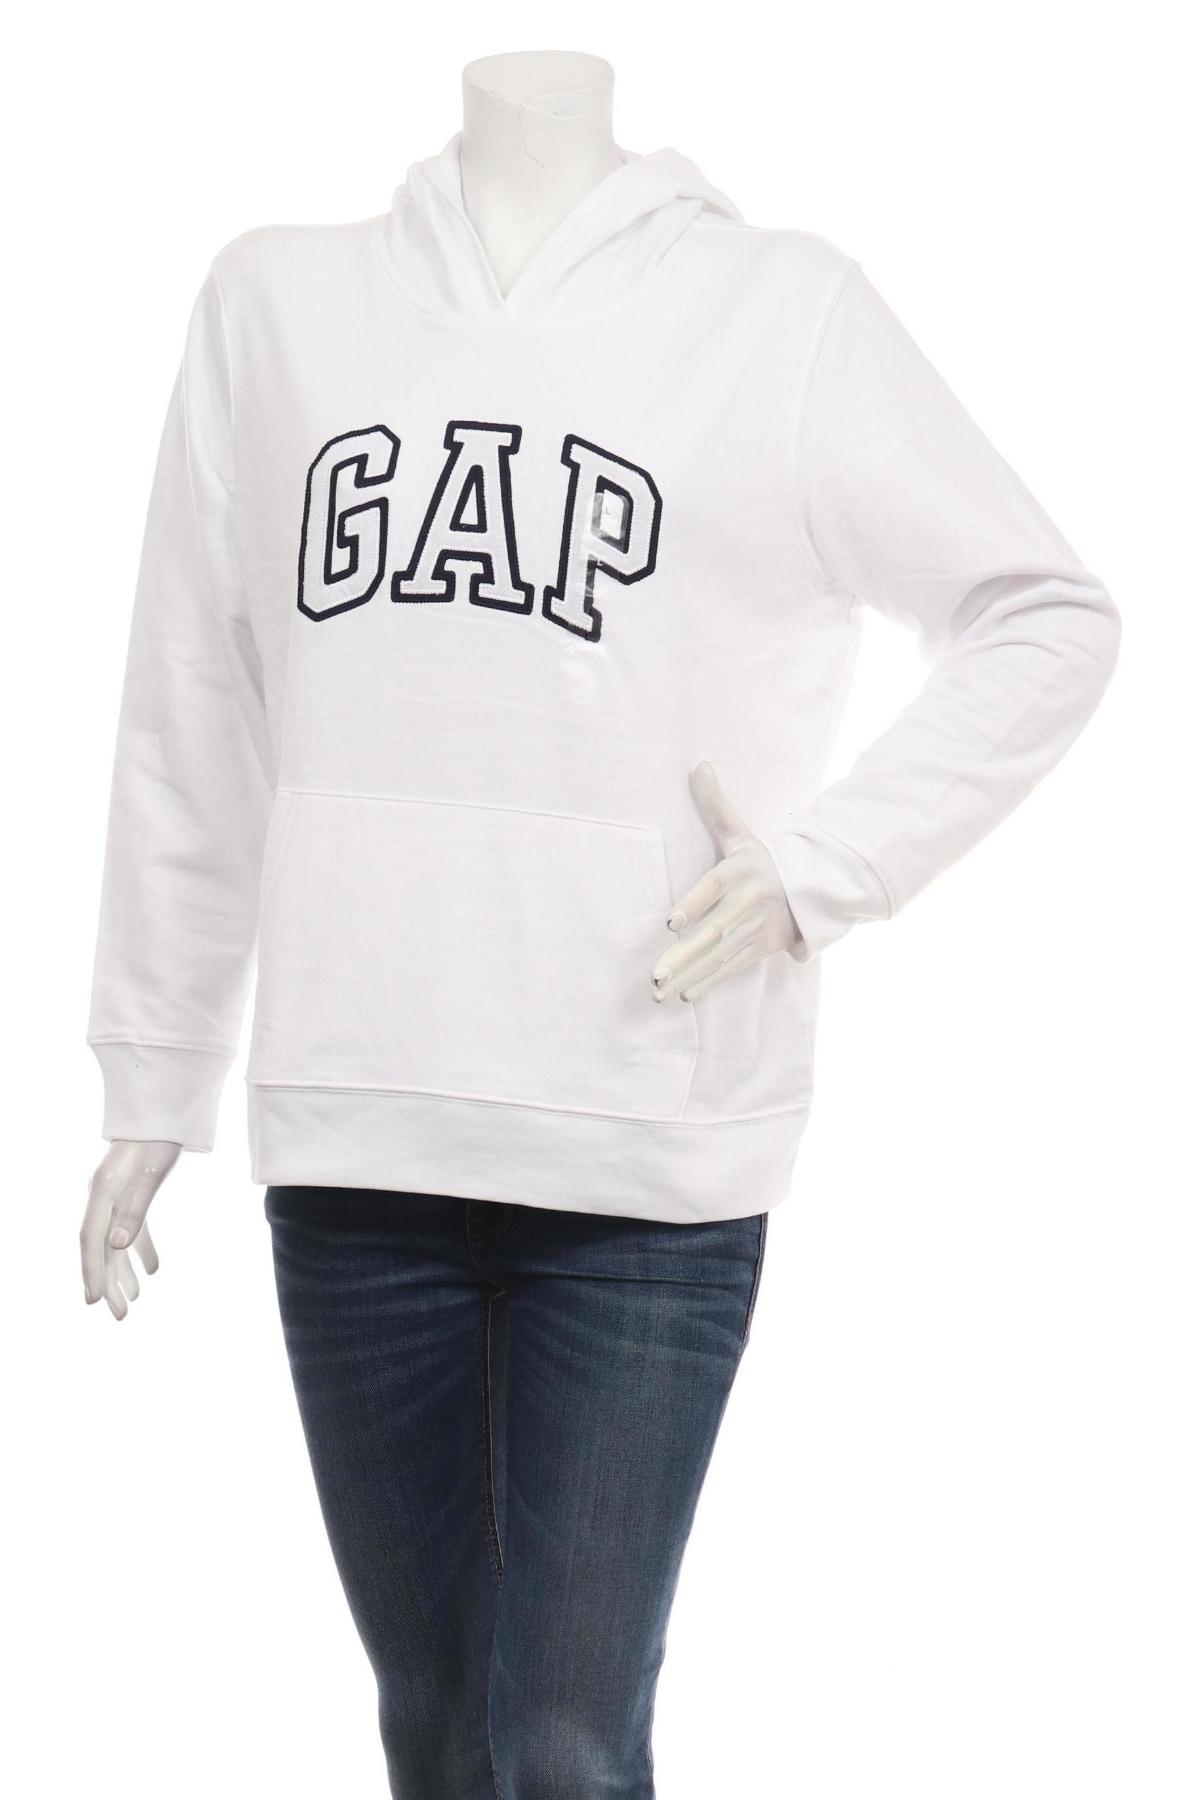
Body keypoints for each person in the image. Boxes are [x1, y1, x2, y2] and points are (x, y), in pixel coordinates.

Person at [80, 49, 1119, 1800]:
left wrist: (821, 869)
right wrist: (153, 1067)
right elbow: (191, 701)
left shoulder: (779, 311)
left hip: (651, 1152)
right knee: (434, 1732)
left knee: (566, 1742)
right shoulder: (273, 304)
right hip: (358, 1134)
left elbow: (1047, 612)